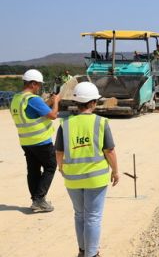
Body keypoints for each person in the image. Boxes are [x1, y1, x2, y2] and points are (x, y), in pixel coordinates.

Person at [55, 82, 119, 257]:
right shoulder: (100, 122)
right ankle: (92, 254)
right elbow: (110, 151)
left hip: (73, 179)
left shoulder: (65, 124)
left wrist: (62, 168)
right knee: (93, 217)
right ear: (93, 103)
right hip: (95, 179)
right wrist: (115, 171)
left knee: (80, 215)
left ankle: (82, 251)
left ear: (77, 103)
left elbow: (59, 152)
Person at [10, 69, 60, 213]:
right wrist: (55, 102)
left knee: (33, 171)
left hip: (26, 142)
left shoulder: (17, 99)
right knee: (50, 167)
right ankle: (39, 200)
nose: (39, 88)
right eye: (38, 85)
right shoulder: (33, 99)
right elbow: (53, 115)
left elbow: (33, 112)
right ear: (33, 84)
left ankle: (35, 200)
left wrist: (47, 102)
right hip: (41, 141)